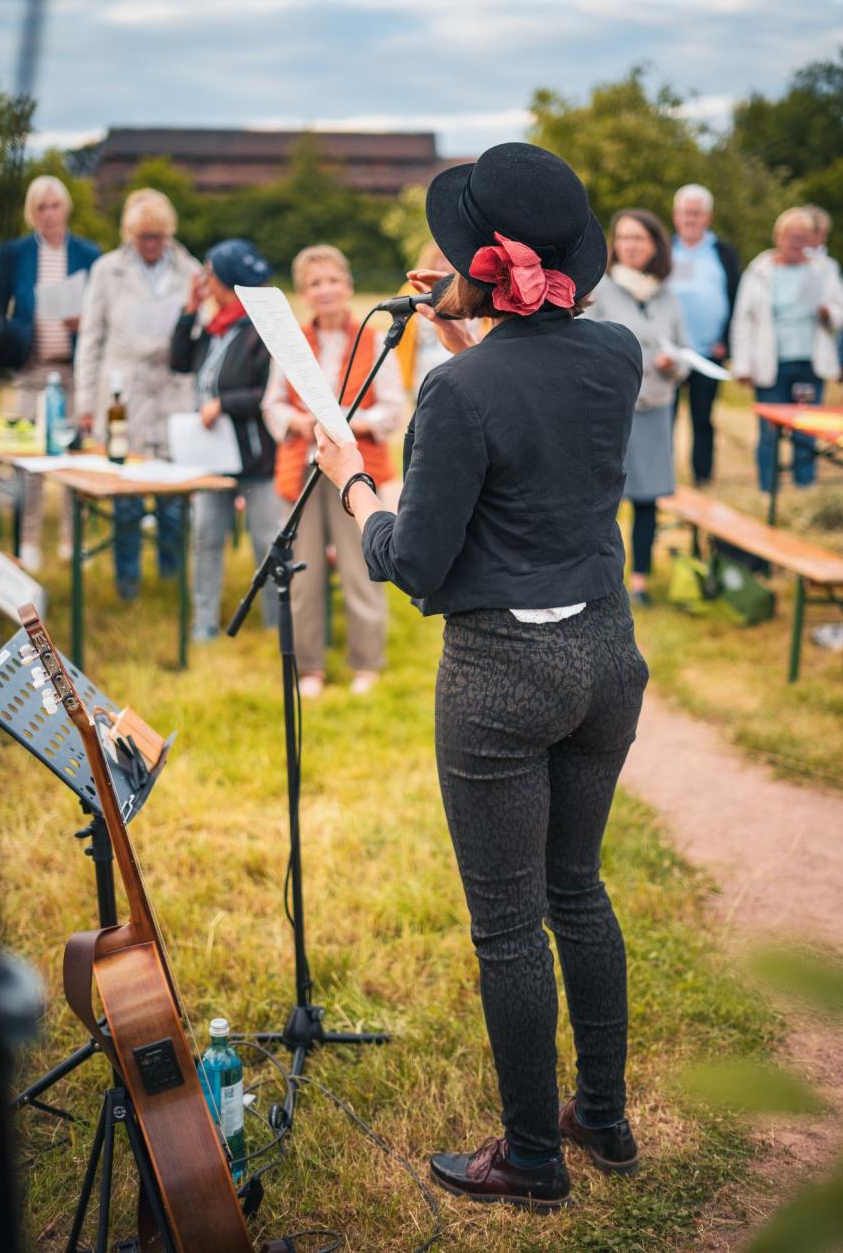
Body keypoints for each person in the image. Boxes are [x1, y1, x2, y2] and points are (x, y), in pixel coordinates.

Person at [314, 143, 646, 1211]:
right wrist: (468, 320)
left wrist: (358, 488)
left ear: (479, 270)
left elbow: (414, 564)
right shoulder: (616, 354)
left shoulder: (455, 394)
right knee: (577, 891)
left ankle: (530, 1161)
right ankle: (600, 1119)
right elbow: (531, 388)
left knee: (507, 926)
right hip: (602, 653)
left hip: (502, 675)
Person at [262, 244, 404, 697]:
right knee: (302, 573)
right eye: (315, 283)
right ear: (303, 292)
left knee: (361, 564)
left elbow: (393, 409)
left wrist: (350, 422)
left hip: (356, 469)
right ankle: (310, 668)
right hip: (303, 466)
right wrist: (302, 422)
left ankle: (366, 662)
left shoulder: (374, 338)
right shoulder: (290, 341)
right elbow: (273, 404)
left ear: (348, 286)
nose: (325, 290)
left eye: (333, 280)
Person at [74, 188, 200, 598]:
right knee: (125, 490)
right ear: (130, 234)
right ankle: (126, 582)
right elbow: (91, 338)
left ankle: (172, 579)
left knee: (173, 492)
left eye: (158, 237)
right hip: (123, 392)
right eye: (143, 237)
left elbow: (199, 336)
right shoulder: (107, 269)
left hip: (171, 389)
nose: (151, 245)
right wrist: (85, 402)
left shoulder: (190, 269)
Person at [0, 175, 101, 569]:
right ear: (32, 213)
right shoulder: (15, 253)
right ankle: (28, 539)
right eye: (40, 208)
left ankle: (73, 539)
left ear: (65, 208)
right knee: (31, 458)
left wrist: (83, 322)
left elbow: (102, 311)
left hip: (74, 370)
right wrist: (15, 333)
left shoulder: (88, 253)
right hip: (31, 369)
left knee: (72, 456)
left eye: (54, 206)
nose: (48, 215)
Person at [170, 239, 280, 641]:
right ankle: (204, 623)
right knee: (206, 539)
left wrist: (223, 404)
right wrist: (189, 311)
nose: (204, 281)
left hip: (254, 458)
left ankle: (275, 625)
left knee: (267, 543)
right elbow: (179, 361)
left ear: (229, 280)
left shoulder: (260, 329)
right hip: (211, 456)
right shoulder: (215, 327)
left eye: (210, 274)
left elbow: (267, 392)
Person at [584, 210, 689, 606]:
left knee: (648, 498)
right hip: (611, 413)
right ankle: (601, 578)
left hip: (656, 410)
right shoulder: (600, 290)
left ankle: (641, 579)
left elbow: (683, 351)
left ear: (655, 245)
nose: (629, 245)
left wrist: (672, 364)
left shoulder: (667, 293)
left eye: (638, 238)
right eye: (623, 238)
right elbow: (585, 347)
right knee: (603, 498)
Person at [730, 207, 843, 492]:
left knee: (805, 428)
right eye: (790, 236)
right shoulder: (760, 270)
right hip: (770, 363)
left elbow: (840, 312)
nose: (796, 242)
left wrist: (828, 313)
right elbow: (742, 318)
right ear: (778, 236)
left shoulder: (824, 270)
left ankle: (804, 486)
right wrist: (742, 364)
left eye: (803, 237)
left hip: (809, 361)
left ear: (812, 240)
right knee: (769, 431)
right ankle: (768, 489)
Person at [669, 184, 740, 485]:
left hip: (709, 351)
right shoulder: (663, 249)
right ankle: (662, 474)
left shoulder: (723, 252)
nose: (691, 218)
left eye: (697, 213)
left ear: (708, 217)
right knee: (665, 418)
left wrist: (728, 340)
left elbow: (736, 296)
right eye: (686, 212)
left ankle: (703, 476)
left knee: (702, 417)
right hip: (670, 352)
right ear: (676, 215)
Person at [394, 240, 456, 400]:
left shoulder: (472, 291)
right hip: (423, 371)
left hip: (461, 368)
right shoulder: (411, 290)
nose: (444, 265)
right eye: (439, 259)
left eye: (448, 258)